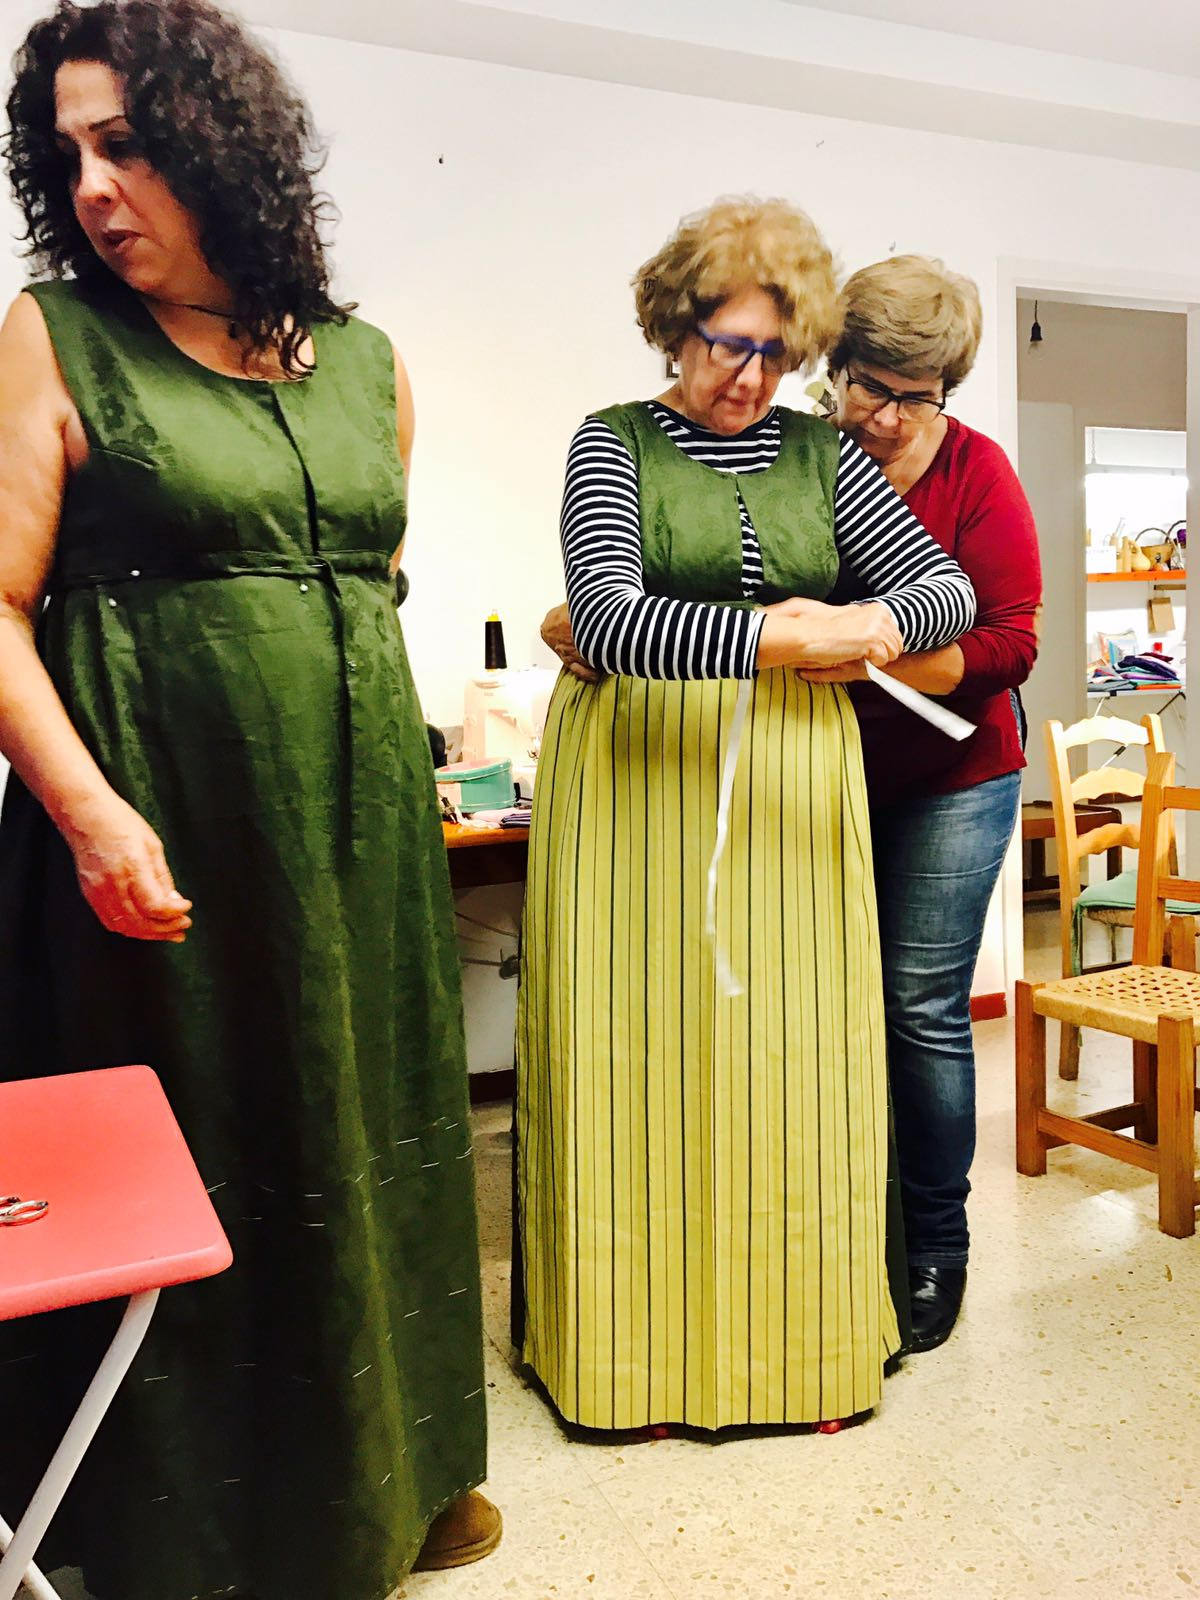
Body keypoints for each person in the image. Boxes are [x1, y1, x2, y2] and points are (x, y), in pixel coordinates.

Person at [0, 3, 497, 1595]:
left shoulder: (369, 363)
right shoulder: (54, 338)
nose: (91, 187)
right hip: (160, 834)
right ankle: (189, 1536)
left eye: (127, 145)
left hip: (357, 839)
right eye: (68, 154)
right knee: (206, 1139)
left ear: (223, 148)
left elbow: (370, 585)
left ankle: (397, 1483)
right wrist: (90, 811)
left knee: (372, 1126)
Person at [518, 197, 975, 1435]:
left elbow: (945, 592)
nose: (749, 377)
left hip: (788, 797)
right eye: (727, 345)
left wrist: (870, 619)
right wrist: (788, 634)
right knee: (634, 1061)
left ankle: (801, 1352)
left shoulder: (827, 459)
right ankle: (631, 1362)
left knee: (795, 1067)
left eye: (776, 353)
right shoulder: (611, 442)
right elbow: (608, 618)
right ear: (675, 328)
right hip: (634, 790)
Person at [808, 255, 1040, 1351]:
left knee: (920, 1004)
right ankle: (857, 1220)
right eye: (872, 388)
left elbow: (1011, 643)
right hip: (824, 771)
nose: (892, 418)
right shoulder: (803, 460)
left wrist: (874, 651)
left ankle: (938, 1246)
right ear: (835, 365)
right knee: (830, 997)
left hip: (957, 777)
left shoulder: (977, 471)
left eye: (919, 395)